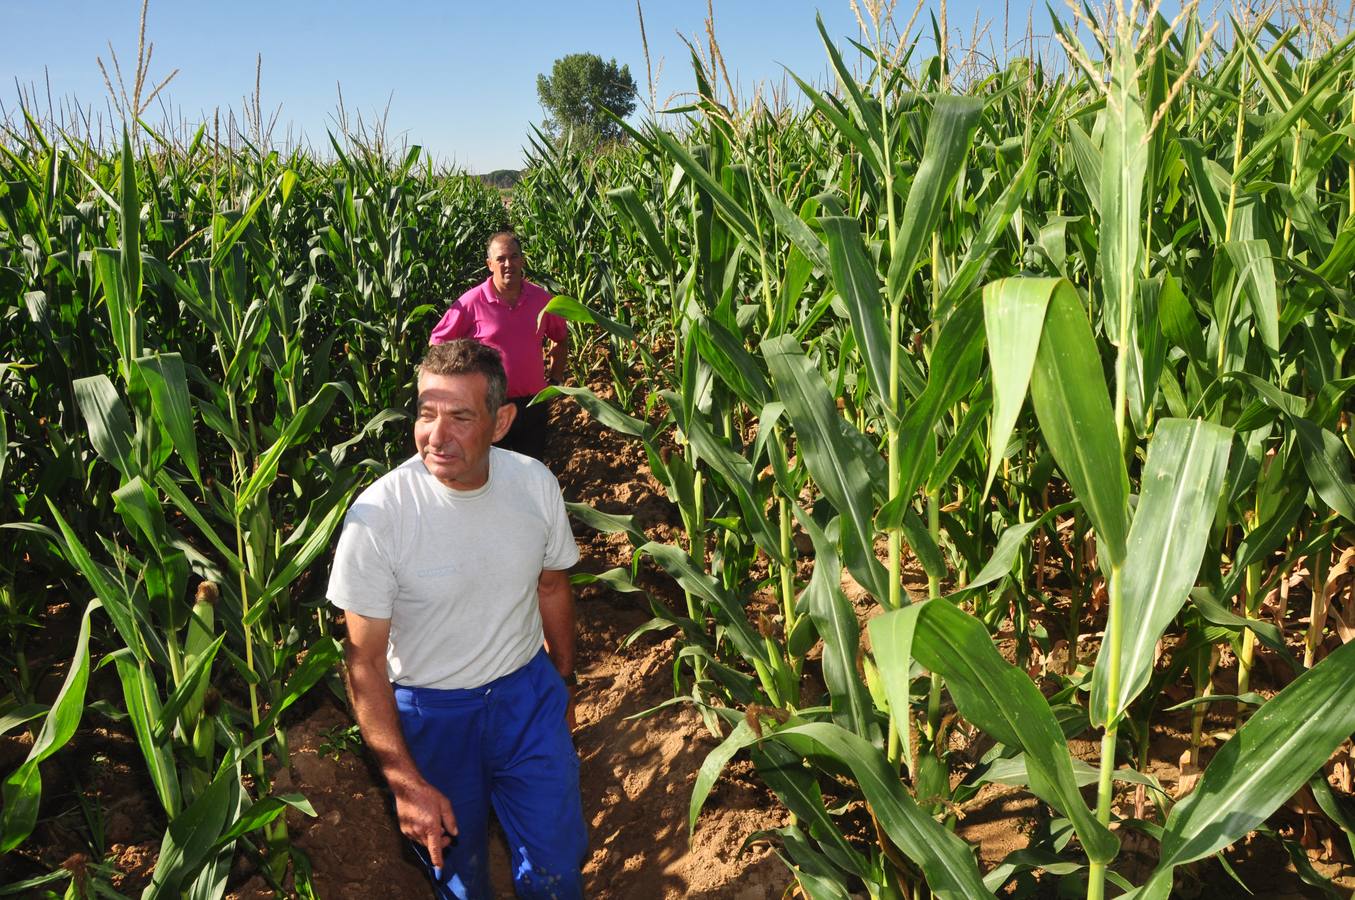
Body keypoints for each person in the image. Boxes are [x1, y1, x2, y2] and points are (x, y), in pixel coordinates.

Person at [327, 339, 586, 900]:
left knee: (557, 861)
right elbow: (365, 661)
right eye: (425, 413)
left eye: (460, 417)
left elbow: (552, 585)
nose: (435, 437)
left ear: (501, 422)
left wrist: (563, 681)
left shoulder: (535, 484)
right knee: (460, 875)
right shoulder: (379, 517)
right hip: (433, 717)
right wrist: (402, 778)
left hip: (526, 697)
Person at [429, 231, 568, 462]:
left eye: (514, 257)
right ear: (489, 264)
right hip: (489, 407)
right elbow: (437, 345)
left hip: (533, 404)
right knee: (491, 474)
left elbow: (561, 337)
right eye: (501, 259)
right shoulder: (470, 303)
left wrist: (555, 380)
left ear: (522, 261)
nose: (508, 264)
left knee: (530, 470)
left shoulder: (541, 299)